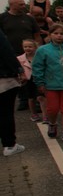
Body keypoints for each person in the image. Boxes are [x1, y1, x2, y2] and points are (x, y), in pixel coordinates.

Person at [32, 23, 63, 142]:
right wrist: (40, 82)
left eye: (62, 33)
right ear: (50, 34)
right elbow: (37, 67)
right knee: (52, 109)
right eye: (56, 33)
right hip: (51, 85)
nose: (59, 36)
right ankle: (52, 123)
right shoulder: (43, 50)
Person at [0, 27, 26, 156]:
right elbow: (6, 50)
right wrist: (19, 70)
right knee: (5, 112)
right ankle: (9, 145)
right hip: (3, 77)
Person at [17, 39, 45, 122]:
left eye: (30, 46)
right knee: (31, 98)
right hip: (28, 80)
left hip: (39, 78)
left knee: (41, 97)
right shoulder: (19, 59)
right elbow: (18, 70)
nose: (27, 48)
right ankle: (34, 114)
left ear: (35, 47)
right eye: (25, 47)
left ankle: (45, 116)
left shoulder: (40, 56)